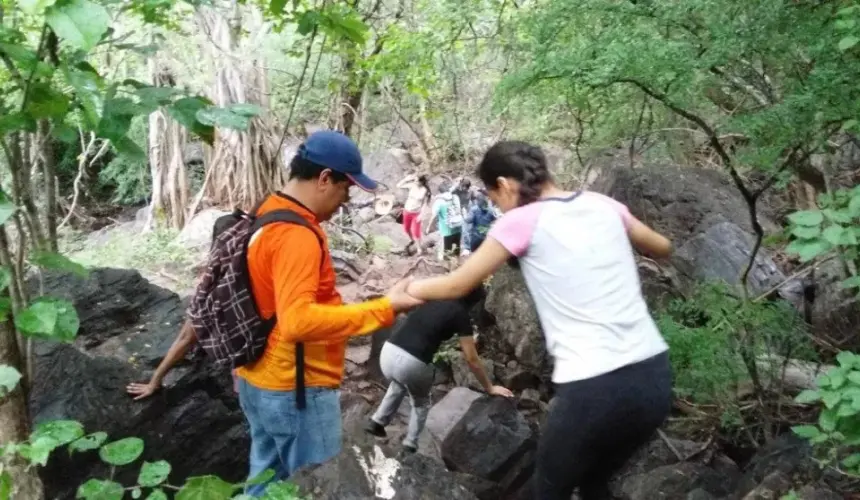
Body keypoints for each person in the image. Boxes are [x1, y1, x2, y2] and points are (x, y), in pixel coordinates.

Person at [134, 131, 423, 497]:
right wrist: (385, 308)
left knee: (263, 484)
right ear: (323, 178)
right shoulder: (296, 235)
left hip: (257, 381)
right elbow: (297, 322)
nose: (344, 201)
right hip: (296, 391)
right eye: (345, 189)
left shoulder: (266, 210)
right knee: (316, 487)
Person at [403, 141, 673, 500]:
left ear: (505, 184)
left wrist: (409, 286)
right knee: (594, 483)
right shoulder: (602, 204)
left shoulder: (520, 222)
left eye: (495, 198)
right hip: (654, 379)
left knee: (548, 489)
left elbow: (460, 282)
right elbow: (663, 246)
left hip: (595, 387)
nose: (498, 208)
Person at [364, 286, 513, 453]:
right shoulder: (461, 314)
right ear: (473, 301)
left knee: (399, 384)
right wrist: (489, 387)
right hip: (412, 362)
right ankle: (410, 444)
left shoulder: (435, 297)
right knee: (420, 404)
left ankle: (376, 422)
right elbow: (471, 358)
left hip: (388, 352)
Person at [428, 181, 464, 260]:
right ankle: (456, 264)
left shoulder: (439, 202)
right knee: (456, 250)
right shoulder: (455, 197)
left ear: (440, 192)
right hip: (458, 227)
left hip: (446, 231)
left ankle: (445, 267)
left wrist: (428, 227)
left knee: (446, 252)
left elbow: (433, 215)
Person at [396, 173, 431, 254]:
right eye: (414, 180)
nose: (415, 182)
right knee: (407, 229)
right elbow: (398, 185)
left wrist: (422, 214)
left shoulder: (425, 190)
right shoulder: (412, 185)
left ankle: (419, 249)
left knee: (416, 231)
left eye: (416, 181)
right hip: (407, 211)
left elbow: (425, 204)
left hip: (416, 213)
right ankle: (412, 240)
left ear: (421, 182)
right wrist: (406, 179)